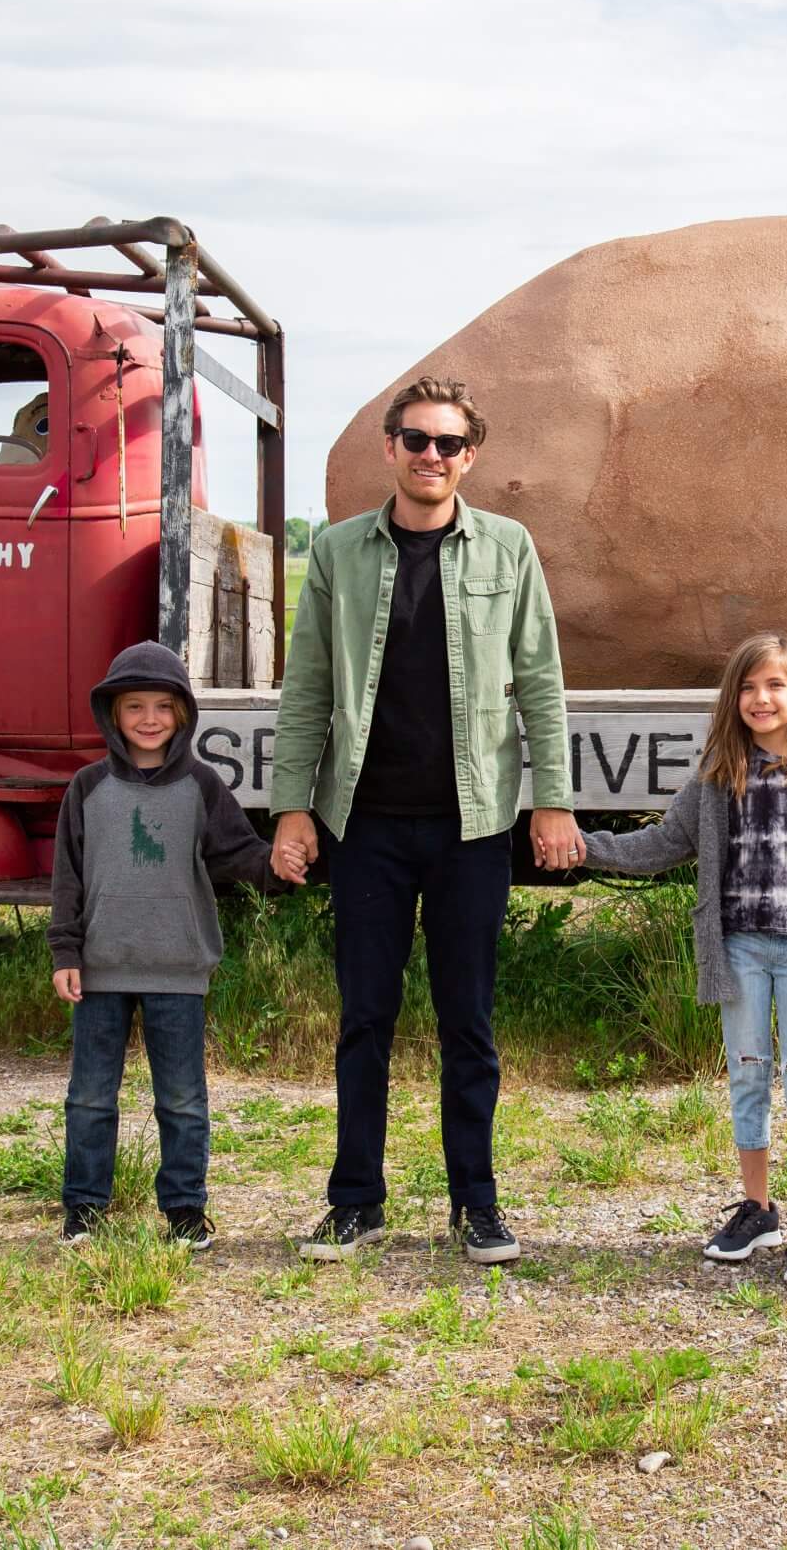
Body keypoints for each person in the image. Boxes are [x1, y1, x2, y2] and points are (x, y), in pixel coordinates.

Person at [268, 377, 581, 1264]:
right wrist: (293, 809)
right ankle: (355, 1201)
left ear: (470, 455)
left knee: (467, 1020)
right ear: (390, 446)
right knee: (366, 1016)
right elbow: (308, 694)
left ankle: (474, 1204)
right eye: (416, 439)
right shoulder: (335, 554)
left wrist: (551, 797)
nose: (431, 456)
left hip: (472, 826)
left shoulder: (508, 549)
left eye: (448, 443)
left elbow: (542, 685)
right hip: (363, 824)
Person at [574, 632, 787, 1287]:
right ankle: (758, 1209)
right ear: (732, 699)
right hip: (740, 948)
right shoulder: (721, 773)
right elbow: (663, 843)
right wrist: (587, 847)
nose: (761, 697)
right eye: (747, 687)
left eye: (775, 684)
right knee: (747, 1074)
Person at [49, 641, 289, 1250]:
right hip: (100, 969)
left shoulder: (201, 786)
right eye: (134, 707)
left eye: (162, 706)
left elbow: (239, 855)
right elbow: (68, 877)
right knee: (89, 1099)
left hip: (179, 970)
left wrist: (279, 864)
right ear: (112, 713)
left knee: (182, 1101)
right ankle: (84, 1208)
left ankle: (184, 1211)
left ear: (182, 714)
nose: (149, 719)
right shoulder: (87, 788)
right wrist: (65, 953)